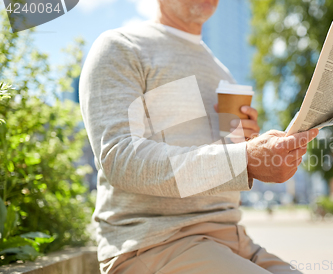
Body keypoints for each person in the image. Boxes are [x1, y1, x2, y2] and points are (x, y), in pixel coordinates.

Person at [79, 0, 318, 273]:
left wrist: (245, 144)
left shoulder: (221, 71)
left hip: (234, 238)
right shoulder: (121, 46)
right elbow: (120, 160)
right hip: (156, 243)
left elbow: (218, 162)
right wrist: (244, 159)